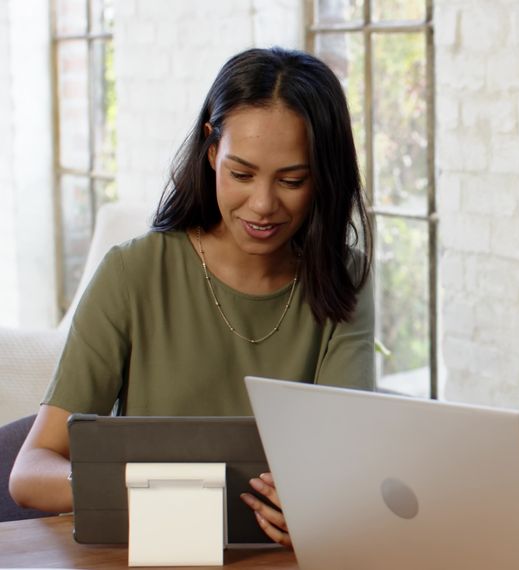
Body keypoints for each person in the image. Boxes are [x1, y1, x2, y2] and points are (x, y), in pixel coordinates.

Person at [9, 47, 374, 546]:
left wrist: (321, 506)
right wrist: (131, 490)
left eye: (292, 180)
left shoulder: (341, 277)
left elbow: (349, 461)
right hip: (155, 553)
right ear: (210, 151)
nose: (263, 205)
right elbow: (30, 472)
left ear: (324, 178)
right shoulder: (134, 272)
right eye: (241, 174)